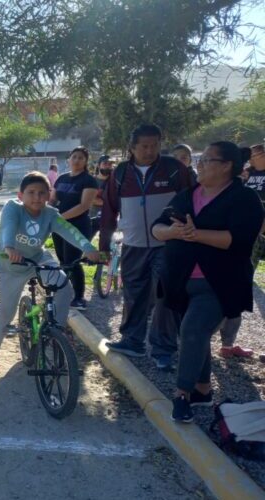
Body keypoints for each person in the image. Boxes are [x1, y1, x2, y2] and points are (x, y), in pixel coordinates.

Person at [151, 141, 263, 423]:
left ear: (226, 166)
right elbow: (157, 227)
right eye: (200, 160)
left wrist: (195, 234)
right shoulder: (188, 194)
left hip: (217, 283)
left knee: (192, 330)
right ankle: (202, 390)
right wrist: (172, 232)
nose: (199, 165)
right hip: (178, 280)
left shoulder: (244, 199)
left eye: (206, 160)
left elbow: (238, 240)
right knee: (195, 336)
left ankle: (181, 395)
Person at [0, 173, 101, 375]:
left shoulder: (51, 214)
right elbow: (8, 229)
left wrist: (88, 247)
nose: (36, 197)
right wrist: (10, 247)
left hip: (37, 258)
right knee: (5, 312)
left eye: (41, 193)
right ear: (21, 195)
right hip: (11, 264)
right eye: (31, 193)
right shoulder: (13, 208)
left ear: (49, 195)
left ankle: (57, 331)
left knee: (64, 286)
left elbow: (69, 231)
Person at [100, 124, 194, 368]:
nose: (150, 150)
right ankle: (133, 341)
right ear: (132, 147)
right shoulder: (120, 173)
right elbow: (109, 209)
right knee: (133, 293)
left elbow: (193, 201)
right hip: (133, 244)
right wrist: (103, 246)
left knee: (165, 296)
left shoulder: (174, 169)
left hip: (168, 244)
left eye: (155, 145)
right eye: (144, 146)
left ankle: (163, 349)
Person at [214, 143, 265, 359]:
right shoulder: (245, 175)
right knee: (233, 284)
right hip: (242, 235)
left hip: (257, 235)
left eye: (253, 154)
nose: (250, 158)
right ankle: (223, 342)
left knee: (239, 285)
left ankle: (227, 342)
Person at [50, 147, 99, 310]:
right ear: (68, 159)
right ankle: (65, 292)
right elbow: (52, 200)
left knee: (73, 261)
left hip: (77, 226)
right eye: (74, 157)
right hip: (58, 227)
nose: (77, 160)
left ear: (86, 162)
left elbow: (84, 206)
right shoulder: (61, 178)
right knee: (63, 260)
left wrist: (60, 219)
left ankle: (79, 298)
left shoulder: (88, 180)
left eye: (81, 158)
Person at [89, 155, 113, 238]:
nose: (107, 166)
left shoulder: (115, 182)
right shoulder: (91, 180)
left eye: (110, 164)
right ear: (99, 165)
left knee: (106, 245)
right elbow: (90, 199)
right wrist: (109, 202)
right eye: (105, 163)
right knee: (86, 244)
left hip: (109, 218)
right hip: (92, 217)